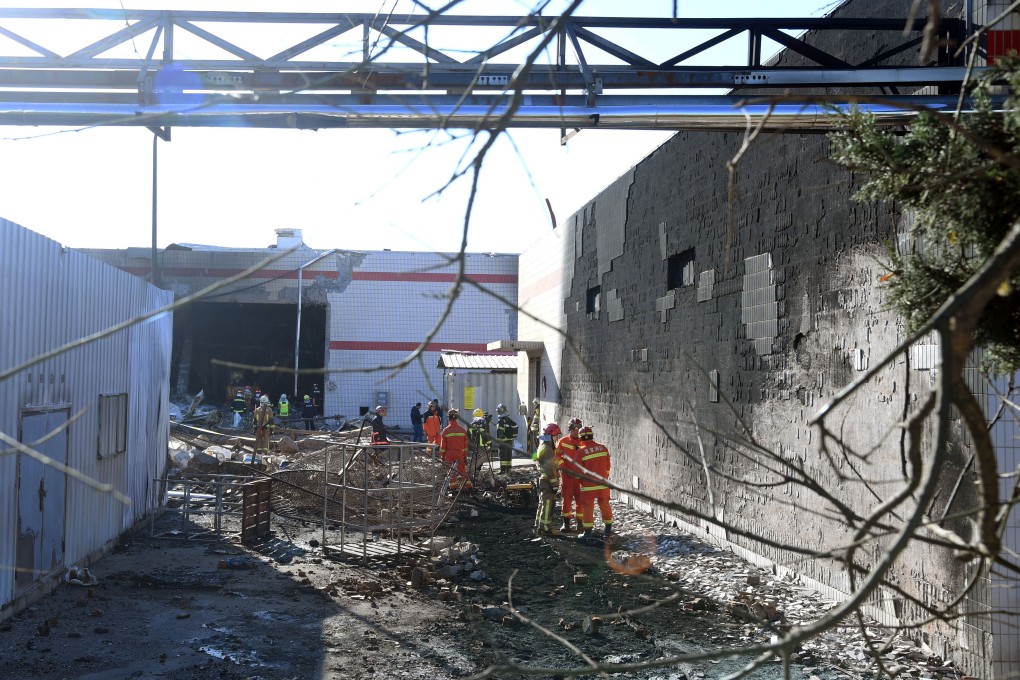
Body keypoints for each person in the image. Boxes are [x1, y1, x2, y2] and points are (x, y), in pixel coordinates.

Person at [576, 426, 613, 540]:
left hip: (588, 486)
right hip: (603, 484)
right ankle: (608, 530)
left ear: (581, 438)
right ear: (592, 435)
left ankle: (588, 533)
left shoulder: (581, 452)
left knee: (588, 508)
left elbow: (578, 472)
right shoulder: (603, 448)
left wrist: (580, 481)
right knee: (605, 505)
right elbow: (607, 467)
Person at [555, 417, 584, 533]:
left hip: (580, 477)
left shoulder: (584, 442)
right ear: (569, 429)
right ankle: (566, 524)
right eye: (573, 428)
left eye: (578, 428)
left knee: (580, 501)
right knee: (566, 500)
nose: (575, 431)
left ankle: (580, 523)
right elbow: (557, 457)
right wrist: (564, 468)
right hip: (567, 477)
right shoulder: (562, 441)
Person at [532, 422, 562, 534]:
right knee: (548, 504)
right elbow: (550, 470)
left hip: (544, 480)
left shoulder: (543, 446)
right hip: (548, 481)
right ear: (551, 436)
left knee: (543, 503)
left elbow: (535, 459)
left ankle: (539, 524)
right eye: (556, 436)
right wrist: (555, 484)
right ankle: (545, 528)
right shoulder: (548, 450)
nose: (557, 438)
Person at [439, 408, 471, 491]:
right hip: (460, 453)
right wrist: (464, 456)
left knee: (450, 471)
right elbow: (465, 446)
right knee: (462, 471)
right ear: (457, 418)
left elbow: (443, 446)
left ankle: (453, 487)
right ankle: (468, 486)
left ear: (448, 418)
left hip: (449, 454)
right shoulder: (463, 430)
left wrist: (442, 456)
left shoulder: (445, 431)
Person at [494, 403, 519, 474]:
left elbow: (500, 432)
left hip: (503, 441)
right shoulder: (508, 419)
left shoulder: (501, 421)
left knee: (502, 456)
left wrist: (498, 440)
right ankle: (508, 469)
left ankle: (503, 470)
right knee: (508, 455)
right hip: (510, 441)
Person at [253, 394, 274, 459]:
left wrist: (254, 428)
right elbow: (271, 420)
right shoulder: (269, 410)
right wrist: (272, 429)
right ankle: (265, 452)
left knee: (258, 439)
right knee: (266, 439)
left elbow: (254, 420)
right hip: (266, 427)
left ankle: (258, 452)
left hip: (258, 427)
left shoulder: (257, 410)